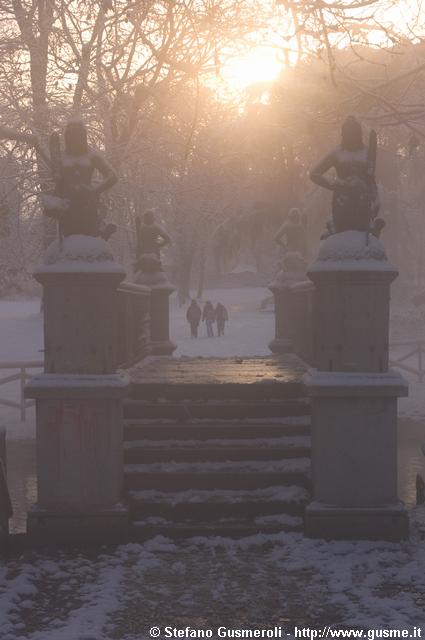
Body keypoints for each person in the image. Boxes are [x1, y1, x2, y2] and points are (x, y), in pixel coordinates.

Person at [309, 116, 380, 234]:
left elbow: (370, 179)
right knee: (342, 232)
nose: (351, 137)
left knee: (361, 234)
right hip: (342, 201)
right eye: (348, 134)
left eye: (354, 134)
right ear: (344, 135)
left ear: (359, 134)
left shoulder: (367, 153)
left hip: (362, 201)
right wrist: (334, 184)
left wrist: (376, 199)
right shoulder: (337, 153)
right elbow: (314, 173)